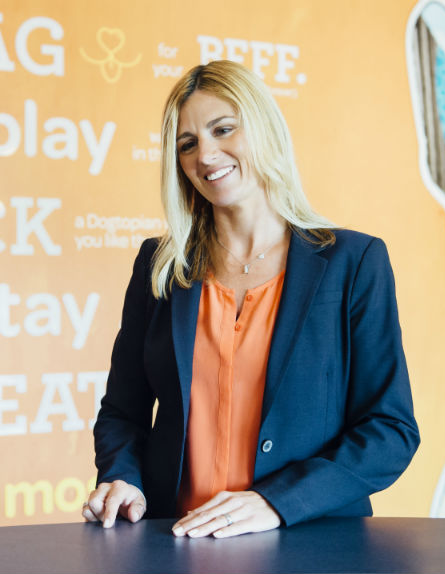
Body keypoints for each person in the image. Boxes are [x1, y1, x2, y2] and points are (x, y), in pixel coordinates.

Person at [82, 60, 420, 538]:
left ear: (264, 130)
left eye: (223, 130)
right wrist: (124, 478)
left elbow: (389, 431)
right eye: (187, 144)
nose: (206, 155)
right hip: (175, 543)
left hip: (311, 546)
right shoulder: (159, 266)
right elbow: (122, 412)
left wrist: (278, 502)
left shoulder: (354, 261)